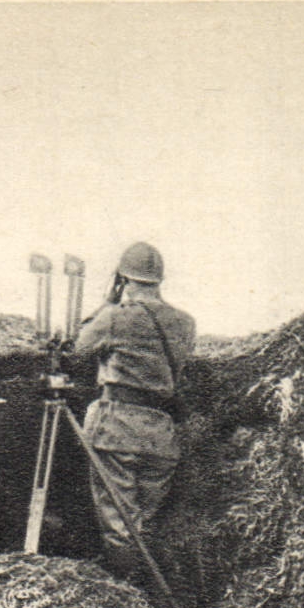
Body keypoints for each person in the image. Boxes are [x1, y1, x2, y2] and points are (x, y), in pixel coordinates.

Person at [71, 242, 195, 581]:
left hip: (117, 431)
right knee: (145, 524)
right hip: (160, 436)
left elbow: (79, 347)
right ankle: (149, 590)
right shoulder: (185, 323)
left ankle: (128, 595)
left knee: (120, 526)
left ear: (123, 278)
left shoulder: (115, 317)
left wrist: (108, 302)